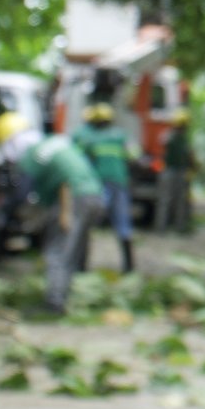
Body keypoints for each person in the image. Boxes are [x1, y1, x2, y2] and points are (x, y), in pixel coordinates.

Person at [20, 127, 107, 315]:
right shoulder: (56, 143)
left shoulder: (32, 155)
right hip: (94, 194)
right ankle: (73, 295)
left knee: (58, 251)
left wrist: (64, 213)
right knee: (75, 251)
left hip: (72, 198)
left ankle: (55, 302)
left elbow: (59, 182)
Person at [72, 100, 137, 277]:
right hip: (119, 182)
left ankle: (80, 266)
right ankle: (129, 267)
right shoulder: (120, 135)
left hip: (96, 185)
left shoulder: (86, 136)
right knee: (122, 223)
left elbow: (77, 160)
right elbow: (133, 156)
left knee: (86, 223)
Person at [160, 110, 195, 234]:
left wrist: (192, 166)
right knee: (166, 200)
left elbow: (189, 154)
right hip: (170, 171)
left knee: (180, 200)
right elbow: (164, 143)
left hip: (181, 171)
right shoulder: (169, 136)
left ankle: (179, 228)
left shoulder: (184, 139)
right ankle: (162, 228)